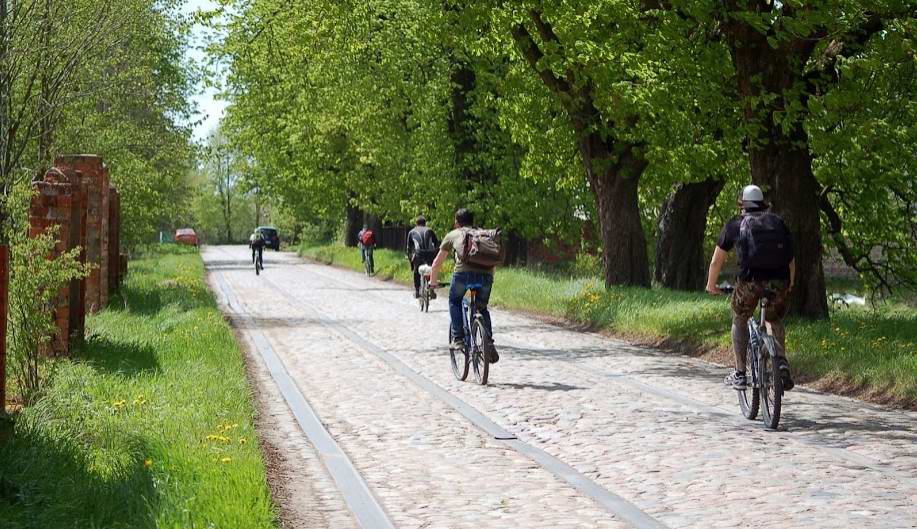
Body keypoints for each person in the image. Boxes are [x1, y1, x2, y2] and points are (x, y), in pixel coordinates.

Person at [705, 184, 795, 391]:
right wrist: (790, 284)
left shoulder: (735, 224)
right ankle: (780, 361)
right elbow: (791, 260)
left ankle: (740, 373)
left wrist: (711, 286)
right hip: (778, 283)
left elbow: (716, 262)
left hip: (750, 283)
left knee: (739, 317)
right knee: (774, 320)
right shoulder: (778, 223)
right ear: (763, 204)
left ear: (743, 205)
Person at [429, 208, 498, 363]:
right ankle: (488, 341)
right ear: (472, 221)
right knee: (482, 308)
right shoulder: (483, 234)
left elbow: (436, 263)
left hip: (462, 275)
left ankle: (458, 338)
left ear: (456, 222)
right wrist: (488, 277)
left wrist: (433, 284)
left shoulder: (453, 234)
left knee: (454, 300)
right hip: (486, 276)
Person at [406, 215, 440, 298]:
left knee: (416, 271)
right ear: (425, 223)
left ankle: (417, 291)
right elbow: (437, 244)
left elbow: (408, 249)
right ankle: (431, 289)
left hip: (419, 254)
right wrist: (435, 255)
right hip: (430, 254)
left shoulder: (411, 232)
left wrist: (411, 262)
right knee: (432, 269)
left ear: (416, 223)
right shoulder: (430, 230)